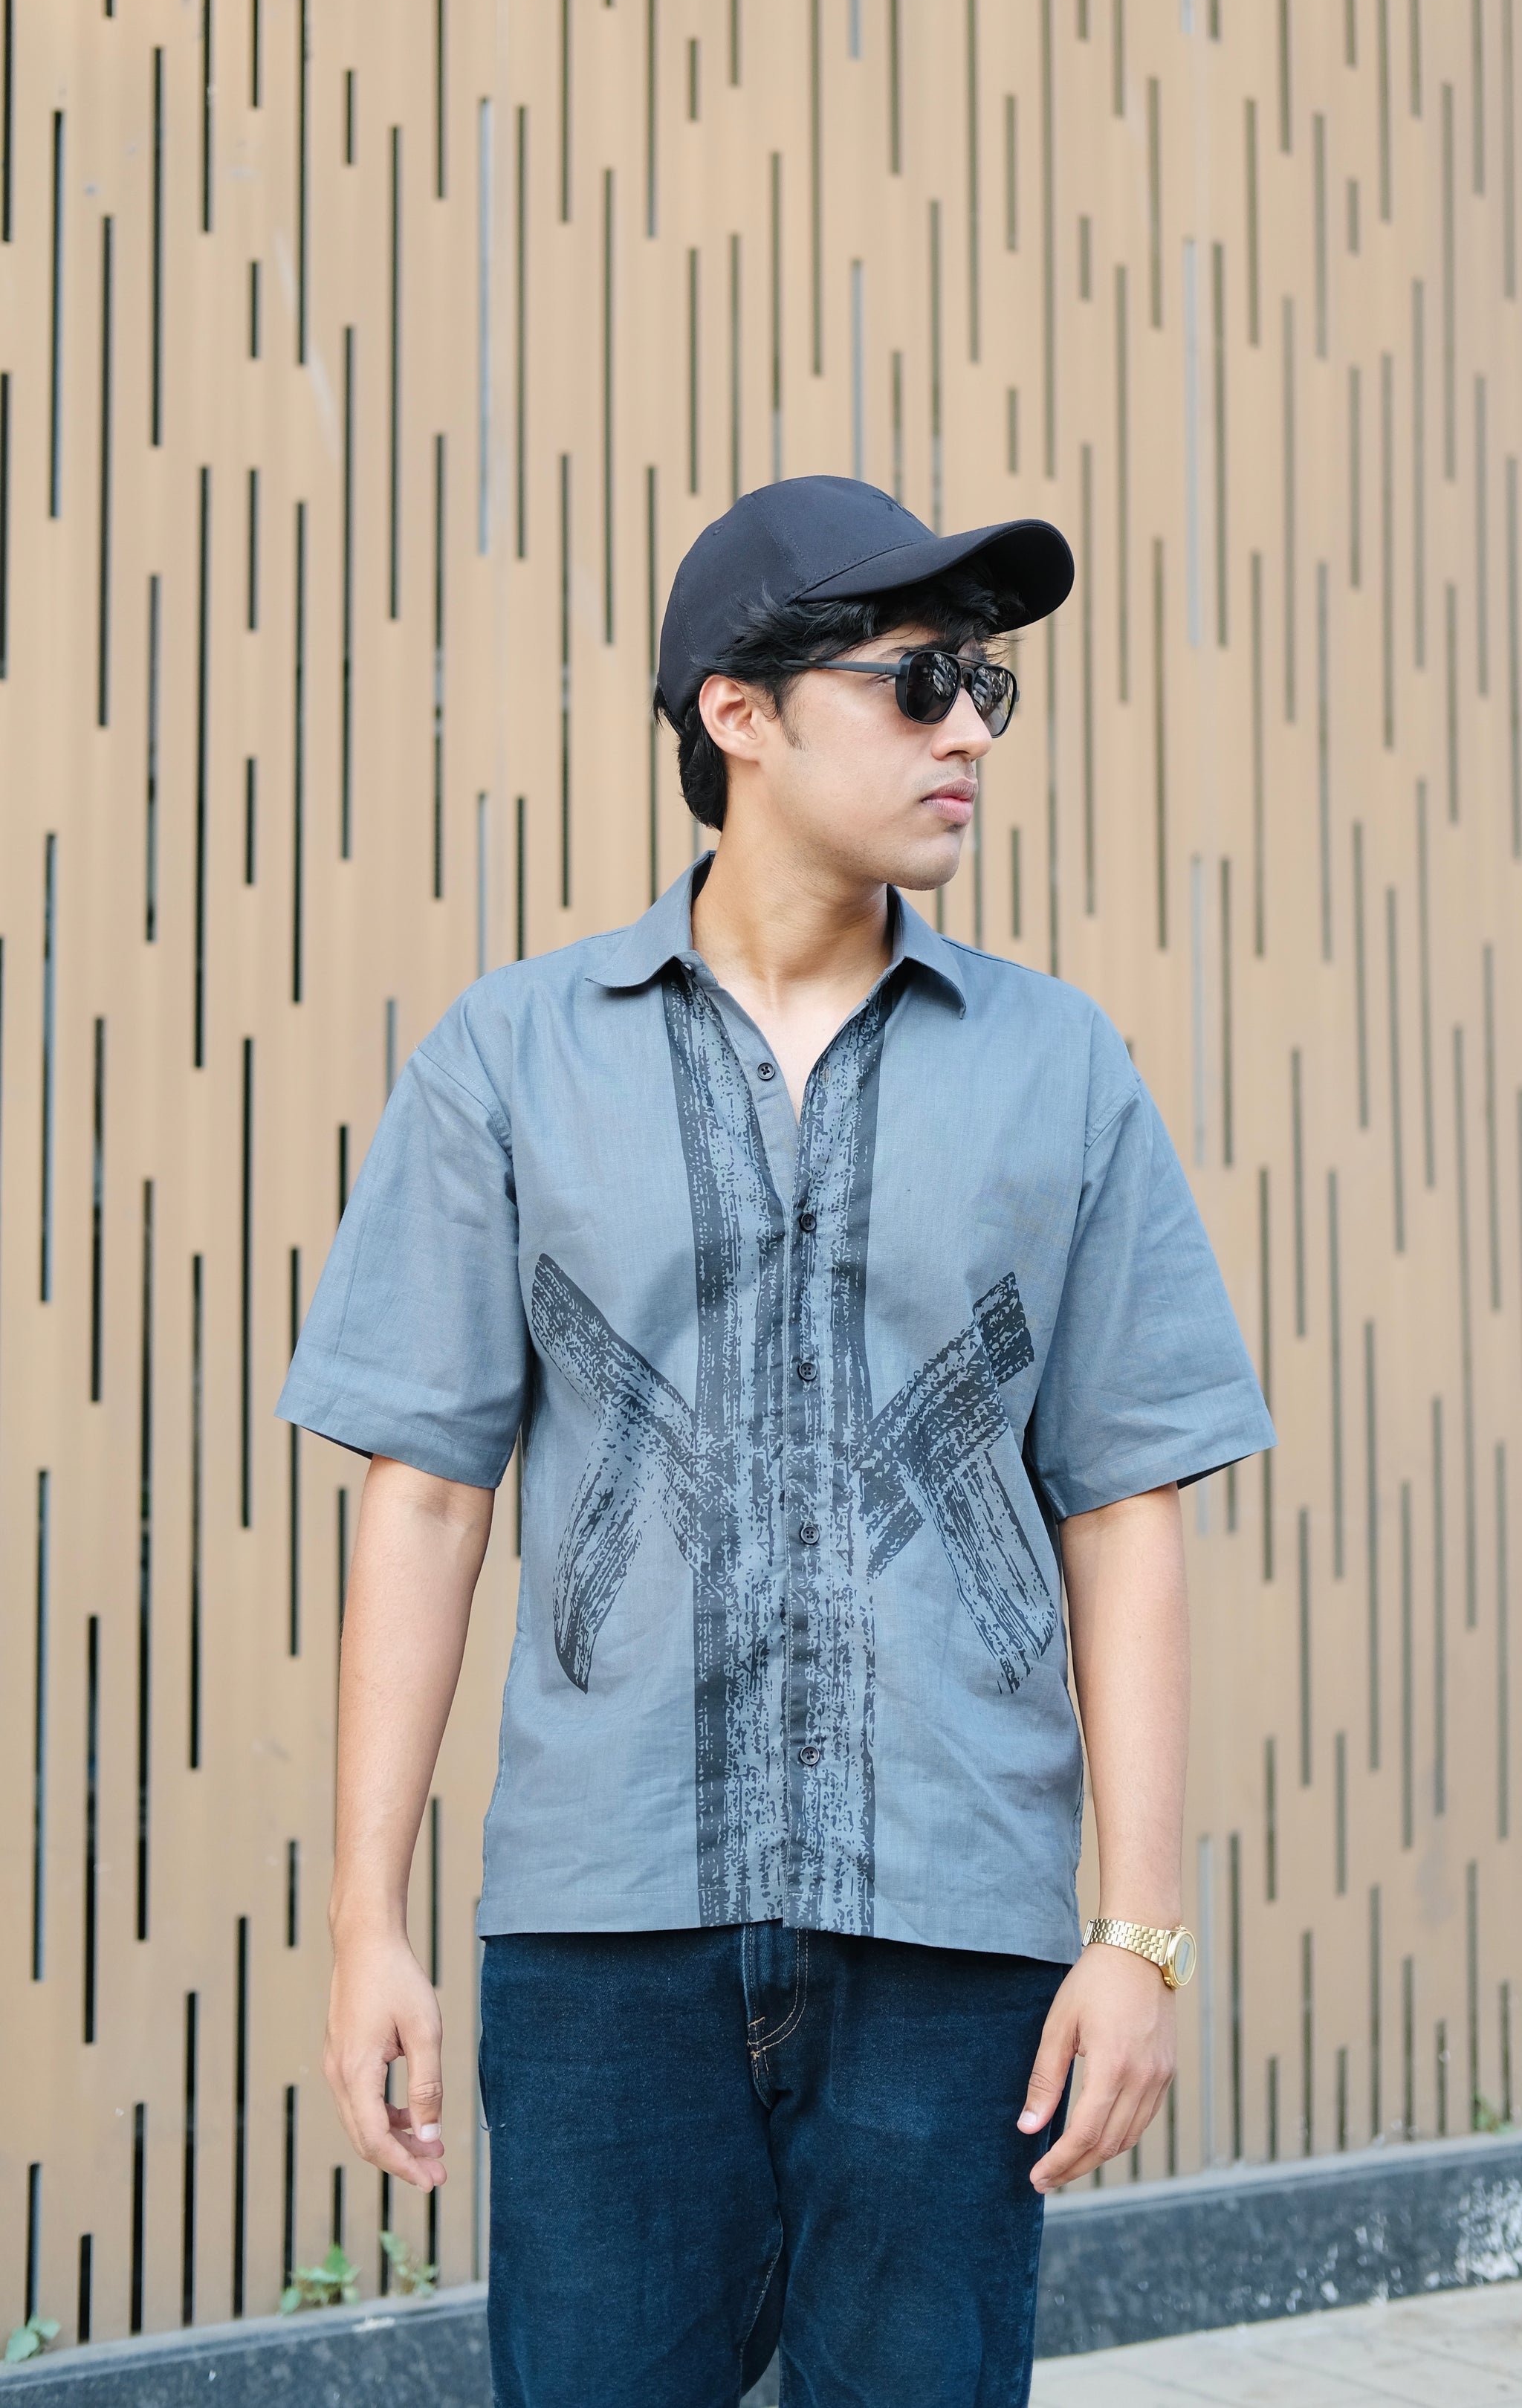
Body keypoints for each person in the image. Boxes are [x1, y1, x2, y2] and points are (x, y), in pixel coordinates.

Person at [277, 473, 1274, 2408]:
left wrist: (1140, 1936)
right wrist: (363, 1923)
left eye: (987, 686)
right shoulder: (512, 1057)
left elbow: (1125, 1506)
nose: (971, 731)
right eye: (918, 683)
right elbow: (426, 1496)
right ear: (738, 712)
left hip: (954, 1954)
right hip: (603, 1951)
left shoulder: (1061, 1067)